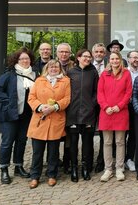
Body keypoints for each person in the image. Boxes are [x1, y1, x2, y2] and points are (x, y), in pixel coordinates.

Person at [0, 48, 37, 184]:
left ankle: (18, 166)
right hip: (10, 115)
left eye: (27, 58)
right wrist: (9, 101)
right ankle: (4, 169)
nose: (25, 61)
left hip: (26, 115)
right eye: (22, 59)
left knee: (21, 141)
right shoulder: (9, 74)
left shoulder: (34, 75)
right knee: (7, 142)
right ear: (16, 60)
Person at [27, 59, 71, 189]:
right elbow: (31, 97)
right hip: (40, 119)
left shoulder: (66, 81)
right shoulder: (39, 80)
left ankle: (52, 175)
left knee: (53, 151)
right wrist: (40, 107)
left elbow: (67, 98)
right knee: (37, 152)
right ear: (47, 68)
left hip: (56, 118)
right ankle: (35, 176)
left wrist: (55, 106)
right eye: (51, 67)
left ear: (60, 69)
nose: (53, 69)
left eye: (56, 67)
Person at [97, 52, 132, 182]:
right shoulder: (104, 75)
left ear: (120, 60)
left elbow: (128, 92)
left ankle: (119, 168)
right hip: (106, 112)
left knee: (120, 142)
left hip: (120, 112)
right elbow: (100, 93)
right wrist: (106, 107)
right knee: (107, 142)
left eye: (117, 58)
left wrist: (120, 105)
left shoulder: (126, 74)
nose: (115, 61)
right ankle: (108, 169)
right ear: (109, 61)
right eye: (112, 59)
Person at [66, 49, 99, 182]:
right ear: (78, 58)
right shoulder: (71, 72)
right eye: (85, 56)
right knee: (73, 143)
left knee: (87, 142)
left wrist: (92, 104)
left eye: (89, 57)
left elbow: (97, 91)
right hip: (73, 113)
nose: (87, 59)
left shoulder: (93, 72)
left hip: (88, 113)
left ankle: (86, 167)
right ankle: (74, 168)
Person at [56, 42, 74, 174]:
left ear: (70, 53)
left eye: (66, 52)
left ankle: (67, 161)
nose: (64, 54)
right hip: (55, 107)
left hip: (71, 106)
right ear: (57, 53)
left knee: (69, 136)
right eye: (61, 52)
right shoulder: (52, 65)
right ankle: (54, 161)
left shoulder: (75, 66)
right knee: (54, 135)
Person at [91, 43, 108, 173]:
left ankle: (101, 160)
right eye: (96, 52)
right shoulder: (87, 65)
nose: (99, 54)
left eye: (101, 52)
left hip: (105, 104)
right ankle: (88, 159)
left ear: (105, 54)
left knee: (104, 134)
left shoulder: (109, 66)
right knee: (89, 134)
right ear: (93, 53)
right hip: (90, 105)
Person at [125, 50, 138, 172]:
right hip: (124, 107)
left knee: (134, 134)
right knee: (121, 135)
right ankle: (120, 159)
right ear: (128, 59)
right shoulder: (124, 72)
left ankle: (130, 158)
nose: (135, 59)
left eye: (137, 57)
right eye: (133, 57)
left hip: (137, 107)